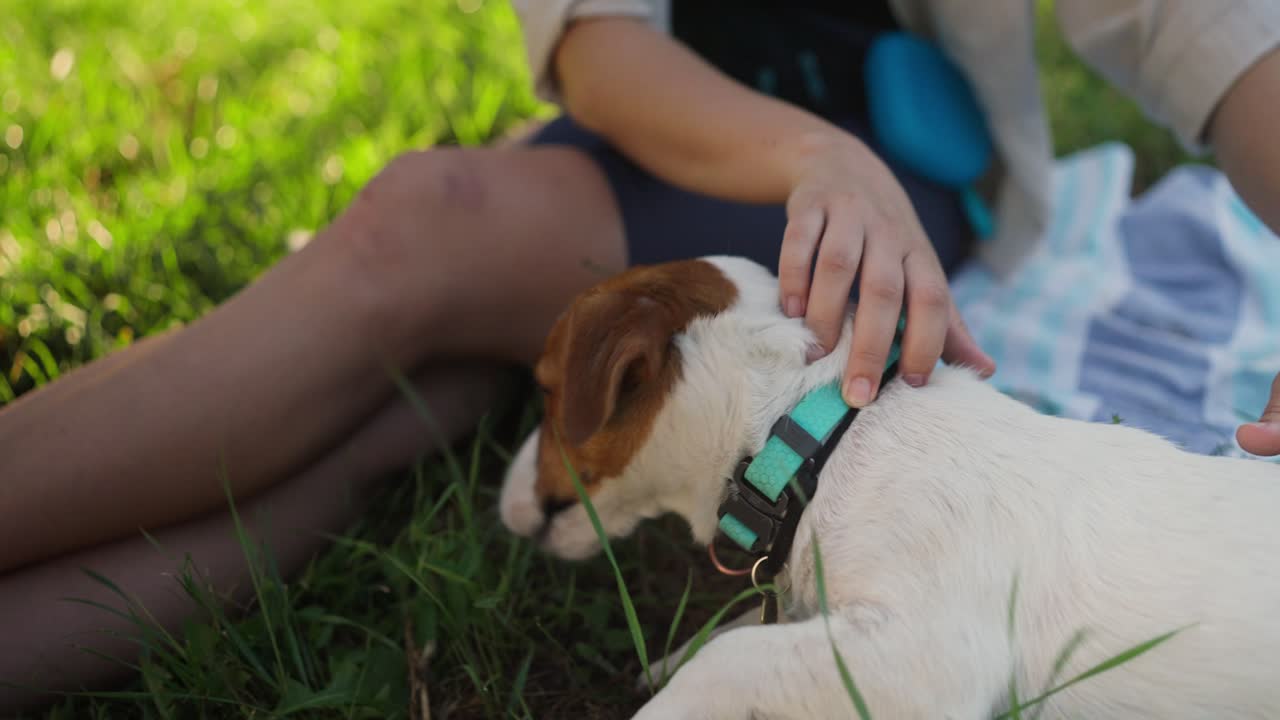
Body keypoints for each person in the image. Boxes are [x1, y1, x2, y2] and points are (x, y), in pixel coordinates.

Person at [1, 0, 1278, 710]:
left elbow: (1201, 26)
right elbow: (592, 34)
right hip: (686, 129)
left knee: (412, 326)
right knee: (401, 337)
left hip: (886, 177)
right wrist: (805, 158)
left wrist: (843, 167)